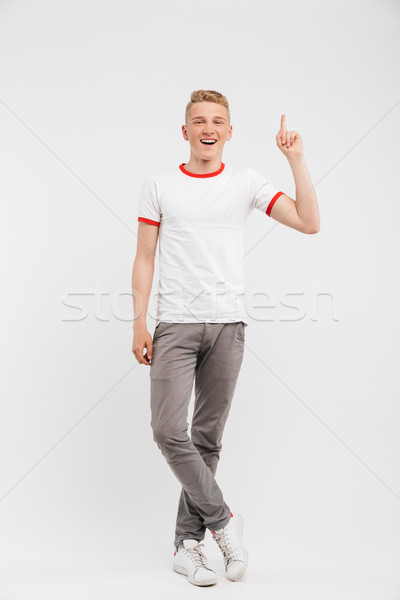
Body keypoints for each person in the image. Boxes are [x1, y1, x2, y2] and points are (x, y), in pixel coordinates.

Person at [131, 90, 320, 586]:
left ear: (229, 132)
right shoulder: (160, 184)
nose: (208, 128)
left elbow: (309, 222)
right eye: (198, 121)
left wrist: (295, 159)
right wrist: (138, 322)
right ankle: (224, 522)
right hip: (174, 324)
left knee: (206, 439)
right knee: (167, 432)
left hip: (229, 326)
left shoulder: (246, 182)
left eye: (217, 121)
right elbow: (145, 257)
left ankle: (185, 545)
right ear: (185, 131)